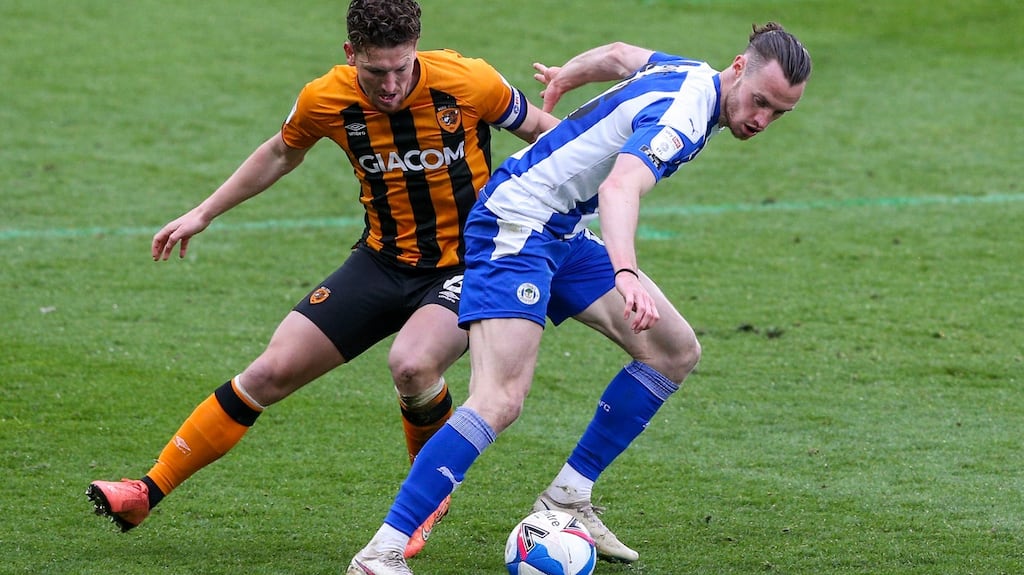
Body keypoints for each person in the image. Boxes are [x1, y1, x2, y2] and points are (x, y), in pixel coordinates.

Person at [86, 0, 557, 559]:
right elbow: (280, 153)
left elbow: (549, 134)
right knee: (269, 370)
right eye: (376, 71)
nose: (390, 85)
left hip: (471, 263)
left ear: (418, 49)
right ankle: (147, 489)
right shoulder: (325, 97)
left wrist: (568, 203)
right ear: (350, 54)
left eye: (402, 68)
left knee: (412, 364)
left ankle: (426, 499)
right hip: (382, 261)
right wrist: (204, 212)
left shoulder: (469, 80)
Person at [345, 23, 812, 574]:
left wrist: (568, 74)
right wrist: (626, 272)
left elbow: (619, 55)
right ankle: (382, 552)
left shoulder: (691, 73)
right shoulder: (680, 120)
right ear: (739, 66)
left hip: (559, 228)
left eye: (779, 113)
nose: (761, 120)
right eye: (760, 101)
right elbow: (619, 187)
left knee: (673, 350)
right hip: (517, 225)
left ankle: (567, 498)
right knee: (499, 399)